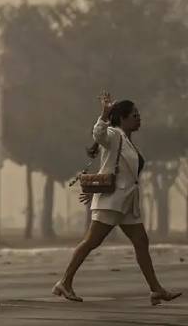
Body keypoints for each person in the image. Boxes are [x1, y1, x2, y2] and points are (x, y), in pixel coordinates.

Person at [52, 91, 181, 305]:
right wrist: (104, 114)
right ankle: (64, 282)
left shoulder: (128, 141)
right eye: (134, 115)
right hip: (112, 200)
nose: (139, 118)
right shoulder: (113, 135)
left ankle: (156, 290)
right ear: (122, 118)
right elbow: (98, 134)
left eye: (138, 114)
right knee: (91, 242)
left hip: (127, 203)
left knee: (141, 242)